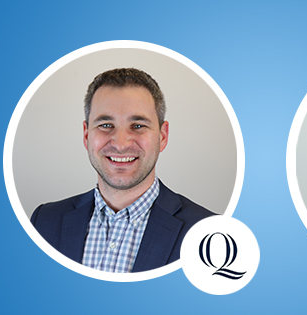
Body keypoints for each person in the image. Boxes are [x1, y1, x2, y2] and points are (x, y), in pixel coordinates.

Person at [31, 68, 215, 273]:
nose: (120, 144)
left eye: (137, 126)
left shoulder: (209, 233)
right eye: (106, 124)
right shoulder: (44, 221)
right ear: (86, 135)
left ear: (162, 137)